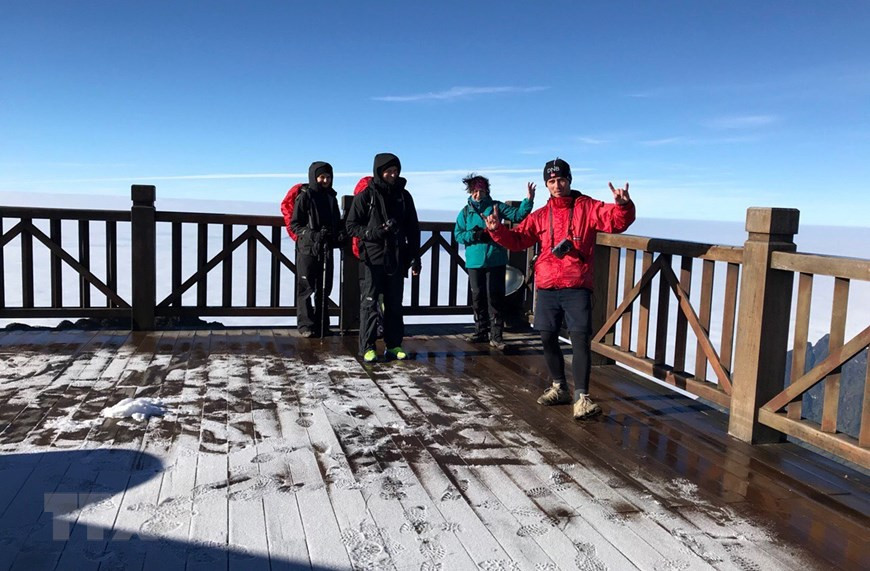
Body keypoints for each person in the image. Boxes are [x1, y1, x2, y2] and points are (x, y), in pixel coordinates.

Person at [485, 158, 635, 419]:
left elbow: (615, 221)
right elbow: (519, 239)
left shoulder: (587, 207)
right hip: (547, 285)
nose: (557, 185)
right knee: (547, 336)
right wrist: (497, 231)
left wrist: (623, 206)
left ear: (569, 180)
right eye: (552, 181)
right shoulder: (542, 215)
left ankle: (582, 398)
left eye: (561, 180)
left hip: (576, 284)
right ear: (546, 184)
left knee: (579, 339)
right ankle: (559, 387)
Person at [345, 153, 421, 362]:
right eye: (388, 171)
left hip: (396, 258)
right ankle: (367, 347)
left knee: (394, 303)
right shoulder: (366, 195)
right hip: (372, 258)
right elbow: (351, 226)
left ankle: (394, 345)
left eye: (395, 171)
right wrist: (373, 233)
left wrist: (415, 257)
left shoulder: (404, 196)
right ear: (379, 171)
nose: (393, 175)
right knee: (369, 304)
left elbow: (413, 229)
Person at [454, 174, 534, 350]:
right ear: (470, 192)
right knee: (478, 297)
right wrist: (476, 235)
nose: (478, 194)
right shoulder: (465, 212)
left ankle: (496, 336)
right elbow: (458, 235)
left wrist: (528, 200)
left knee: (495, 298)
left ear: (487, 191)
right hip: (474, 262)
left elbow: (518, 215)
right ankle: (480, 332)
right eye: (475, 191)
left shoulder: (496, 206)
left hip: (496, 260)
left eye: (481, 191)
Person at [289, 161, 343, 338]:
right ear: (314, 177)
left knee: (324, 288)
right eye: (321, 177)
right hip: (307, 249)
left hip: (325, 248)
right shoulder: (305, 197)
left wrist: (336, 235)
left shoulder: (331, 197)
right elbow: (295, 224)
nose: (325, 180)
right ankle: (306, 325)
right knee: (306, 288)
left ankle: (322, 325)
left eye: (328, 177)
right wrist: (312, 235)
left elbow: (336, 222)